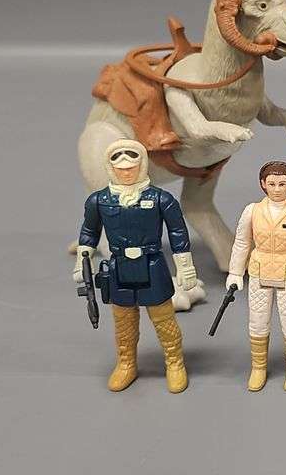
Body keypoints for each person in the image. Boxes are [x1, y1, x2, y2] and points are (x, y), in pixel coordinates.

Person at [74, 139, 197, 393]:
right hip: (119, 267)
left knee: (163, 319)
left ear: (142, 166)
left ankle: (174, 362)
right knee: (124, 322)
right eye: (120, 169)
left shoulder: (161, 199)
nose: (126, 172)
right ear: (110, 168)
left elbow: (178, 233)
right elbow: (89, 232)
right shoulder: (99, 200)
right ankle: (126, 363)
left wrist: (185, 268)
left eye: (131, 167)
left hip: (152, 264)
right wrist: (82, 261)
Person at [225, 161, 286, 392]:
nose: (277, 189)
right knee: (258, 322)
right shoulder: (252, 211)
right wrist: (235, 272)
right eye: (271, 184)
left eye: (281, 184)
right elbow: (241, 242)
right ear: (263, 184)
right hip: (259, 272)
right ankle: (258, 367)